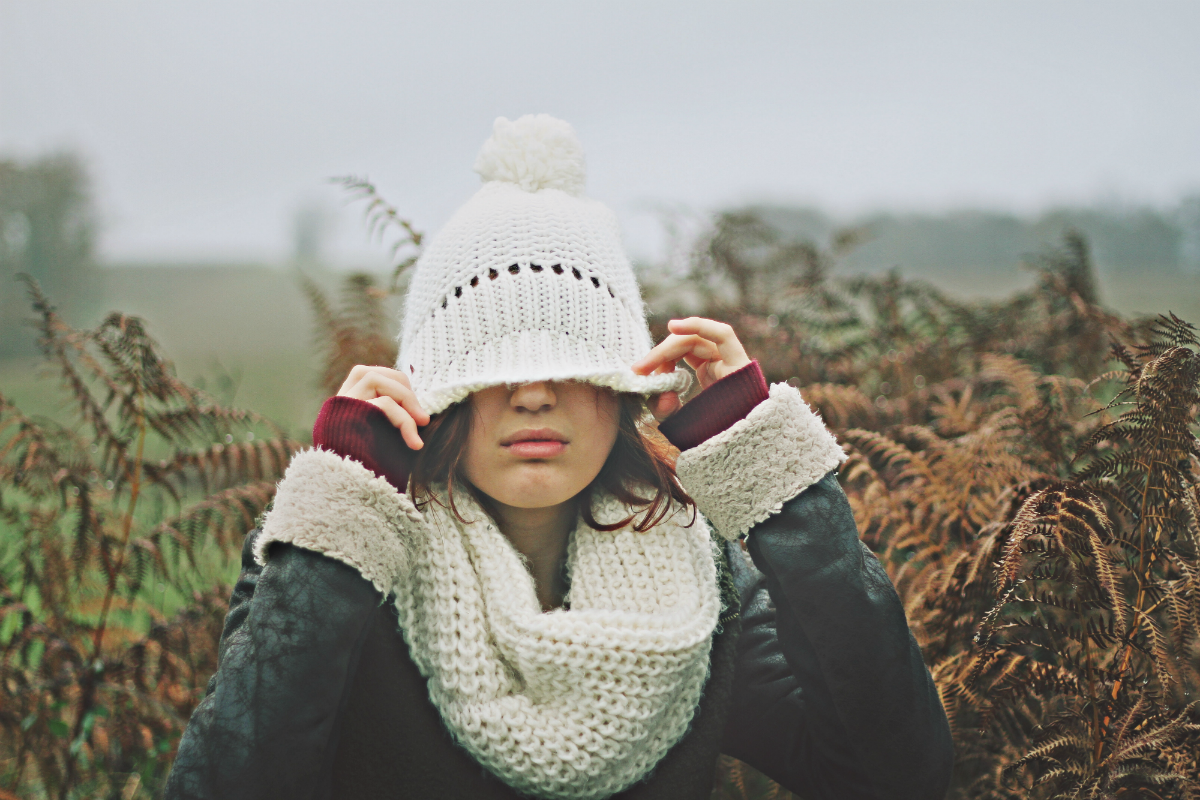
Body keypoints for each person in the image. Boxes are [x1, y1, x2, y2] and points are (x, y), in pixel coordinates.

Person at [163, 115, 953, 800]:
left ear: (622, 391)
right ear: (438, 397)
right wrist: (339, 518)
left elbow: (894, 776)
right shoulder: (338, 568)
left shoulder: (701, 590)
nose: (532, 395)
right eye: (490, 366)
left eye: (571, 365)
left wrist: (771, 473)